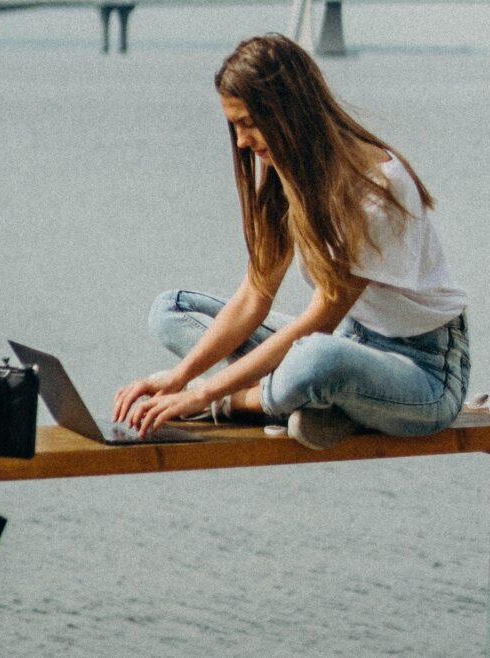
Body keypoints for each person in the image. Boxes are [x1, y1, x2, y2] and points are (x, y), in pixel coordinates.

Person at [113, 33, 469, 450]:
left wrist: (203, 395)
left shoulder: (376, 187)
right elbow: (253, 297)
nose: (242, 142)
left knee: (317, 360)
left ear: (287, 111)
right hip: (350, 342)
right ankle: (315, 403)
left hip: (423, 373)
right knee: (170, 310)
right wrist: (181, 376)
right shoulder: (290, 172)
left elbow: (320, 321)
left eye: (248, 123)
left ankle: (248, 401)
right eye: (235, 127)